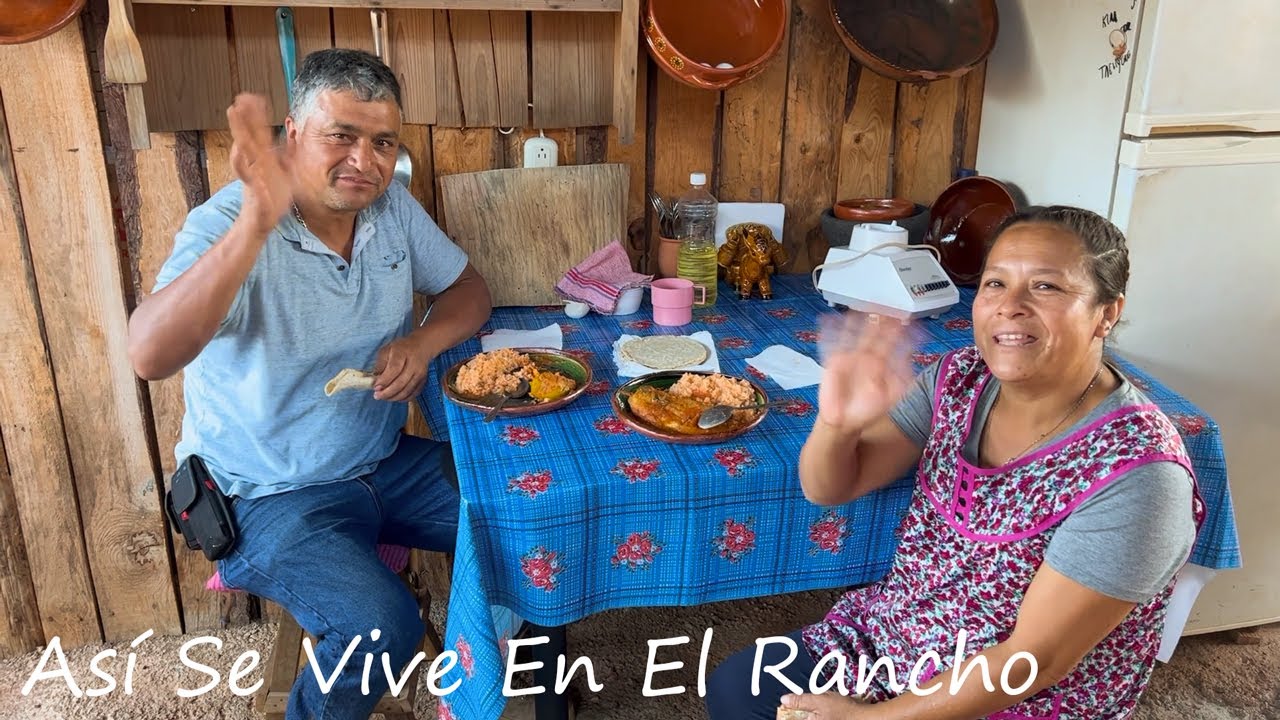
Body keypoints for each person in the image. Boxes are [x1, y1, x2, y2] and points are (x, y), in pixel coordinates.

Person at [706, 206, 1203, 720]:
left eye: (1046, 287)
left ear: (1107, 312)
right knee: (740, 690)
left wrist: (868, 719)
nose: (1009, 306)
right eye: (995, 283)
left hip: (1020, 697)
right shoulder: (958, 379)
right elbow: (829, 487)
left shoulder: (1142, 475)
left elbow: (1034, 658)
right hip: (895, 639)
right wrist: (837, 424)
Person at [127, 49, 491, 719]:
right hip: (264, 494)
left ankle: (492, 684)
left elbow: (468, 290)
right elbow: (149, 354)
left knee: (515, 510)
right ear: (292, 134)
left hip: (378, 464)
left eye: (383, 142)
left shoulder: (390, 211)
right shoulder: (227, 224)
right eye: (341, 136)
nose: (365, 159)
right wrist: (254, 226)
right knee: (380, 629)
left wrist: (422, 340)